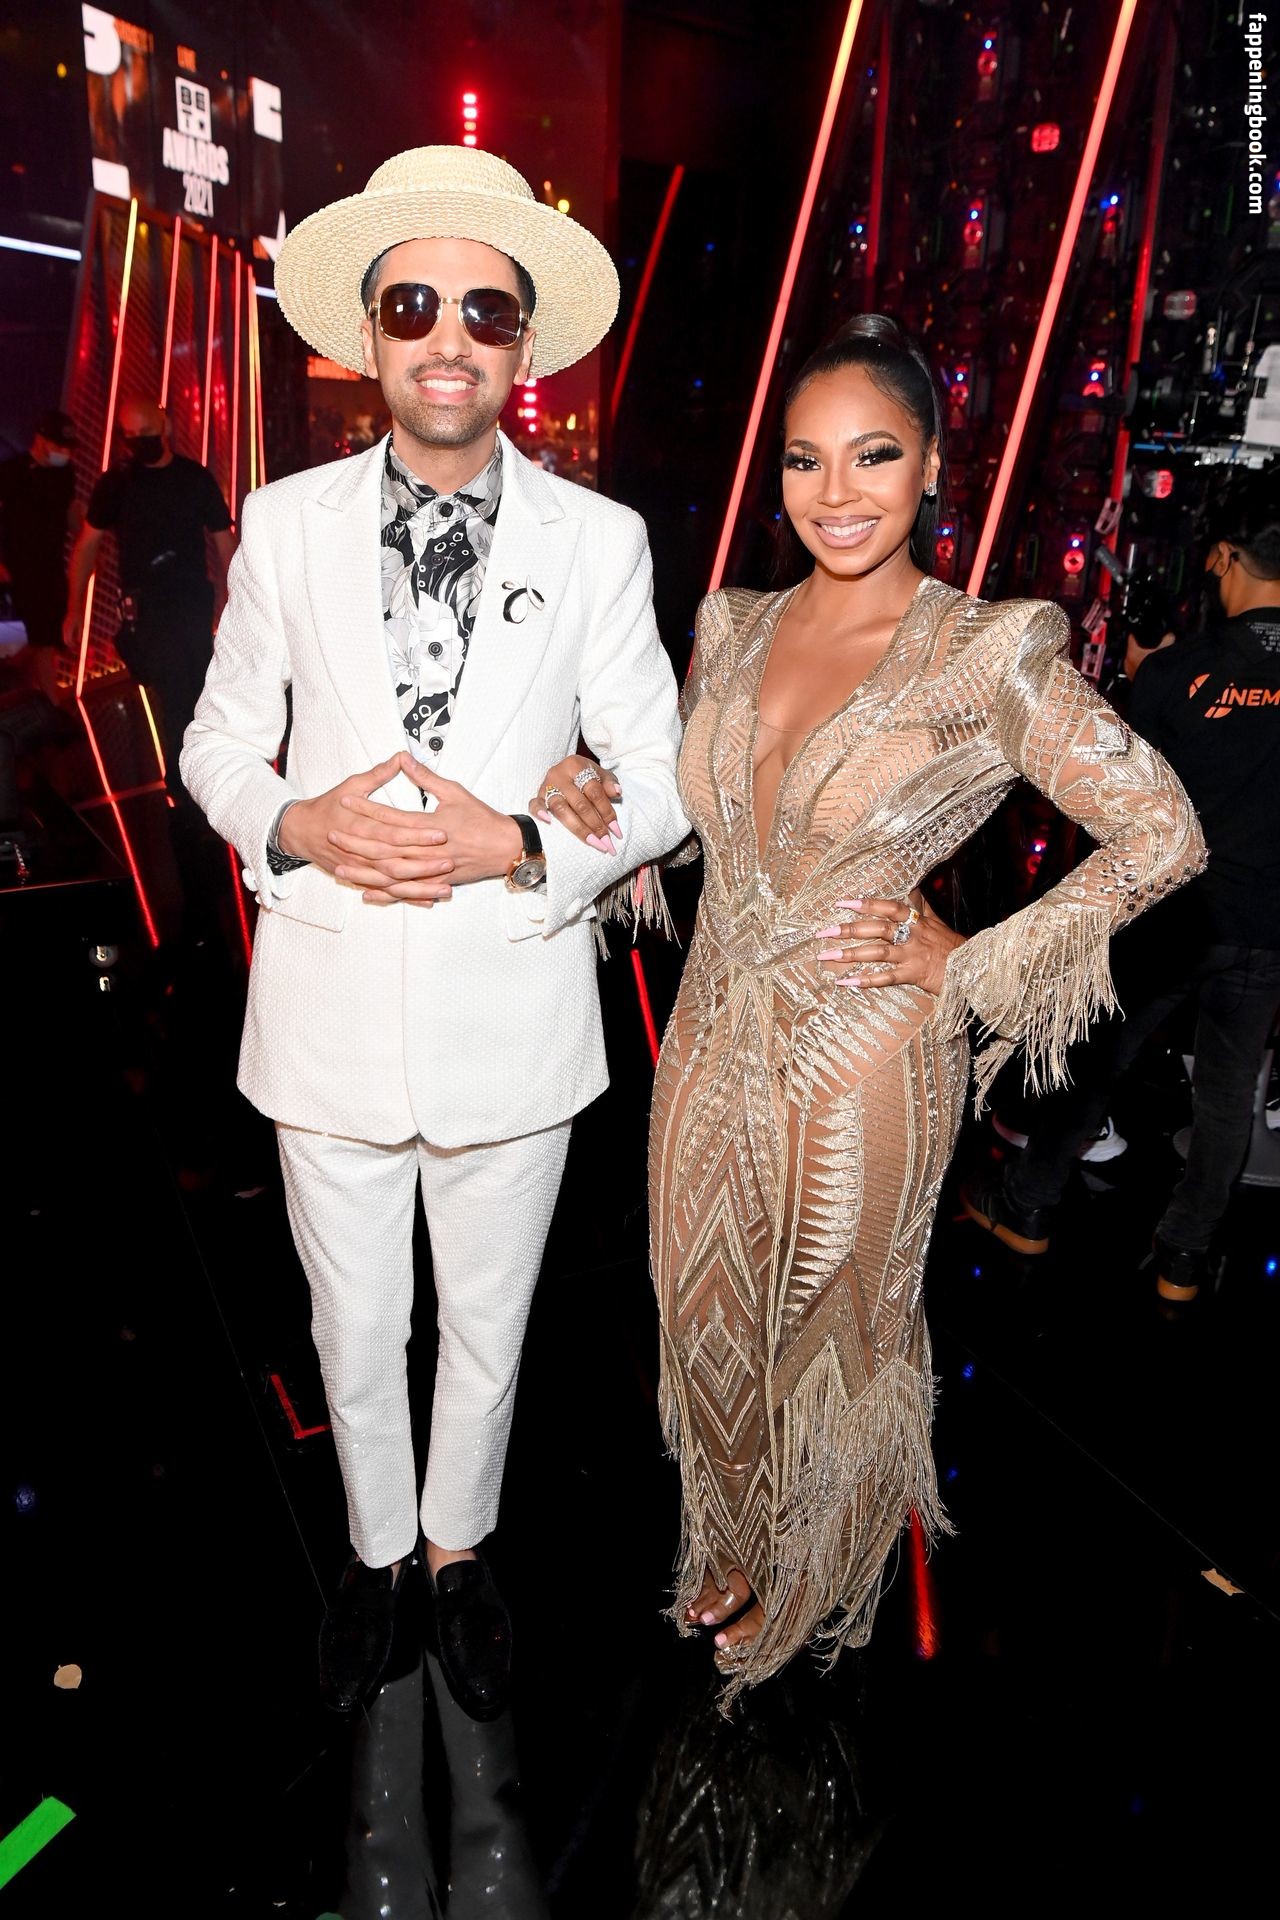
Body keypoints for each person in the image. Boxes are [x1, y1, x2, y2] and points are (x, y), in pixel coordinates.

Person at [579, 313, 1202, 1704]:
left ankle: (818, 1564)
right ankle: (732, 1531)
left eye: (872, 455)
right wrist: (594, 794)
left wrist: (969, 960)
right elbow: (689, 813)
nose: (835, 490)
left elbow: (1162, 832)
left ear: (929, 467)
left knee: (835, 1318)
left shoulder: (986, 652)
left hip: (865, 1044)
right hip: (714, 1026)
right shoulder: (732, 626)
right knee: (700, 1293)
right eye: (805, 460)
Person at [180, 146, 689, 1719]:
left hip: (513, 1008)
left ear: (524, 343)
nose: (449, 338)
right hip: (324, 1003)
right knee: (351, 1320)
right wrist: (297, 823)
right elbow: (215, 744)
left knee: (489, 1319)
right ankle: (375, 1553)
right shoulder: (282, 524)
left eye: (485, 310)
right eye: (415, 307)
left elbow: (662, 778)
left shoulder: (599, 540)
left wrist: (523, 843)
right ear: (369, 335)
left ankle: (460, 1553)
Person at [963, 469, 1280, 1304]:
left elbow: (1121, 795)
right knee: (1226, 1101)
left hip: (1177, 915)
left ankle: (1028, 1208)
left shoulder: (1181, 672)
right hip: (1268, 926)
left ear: (1225, 557)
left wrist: (1145, 678)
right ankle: (1183, 1261)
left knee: (1097, 1063)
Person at [64, 398, 234, 800]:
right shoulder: (117, 483)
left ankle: (188, 778)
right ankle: (187, 778)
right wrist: (74, 607)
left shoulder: (194, 479)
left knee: (191, 688)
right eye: (131, 436)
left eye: (146, 434)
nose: (139, 442)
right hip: (146, 606)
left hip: (189, 601)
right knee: (174, 690)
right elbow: (87, 546)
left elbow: (224, 542)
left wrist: (235, 597)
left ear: (165, 428)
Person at [0, 408, 83, 704]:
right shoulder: (12, 472)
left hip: (49, 570)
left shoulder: (64, 474)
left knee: (45, 641)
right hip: (13, 574)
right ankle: (33, 703)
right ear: (40, 439)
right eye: (58, 445)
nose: (63, 452)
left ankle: (46, 705)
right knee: (17, 644)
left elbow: (70, 512)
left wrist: (88, 543)